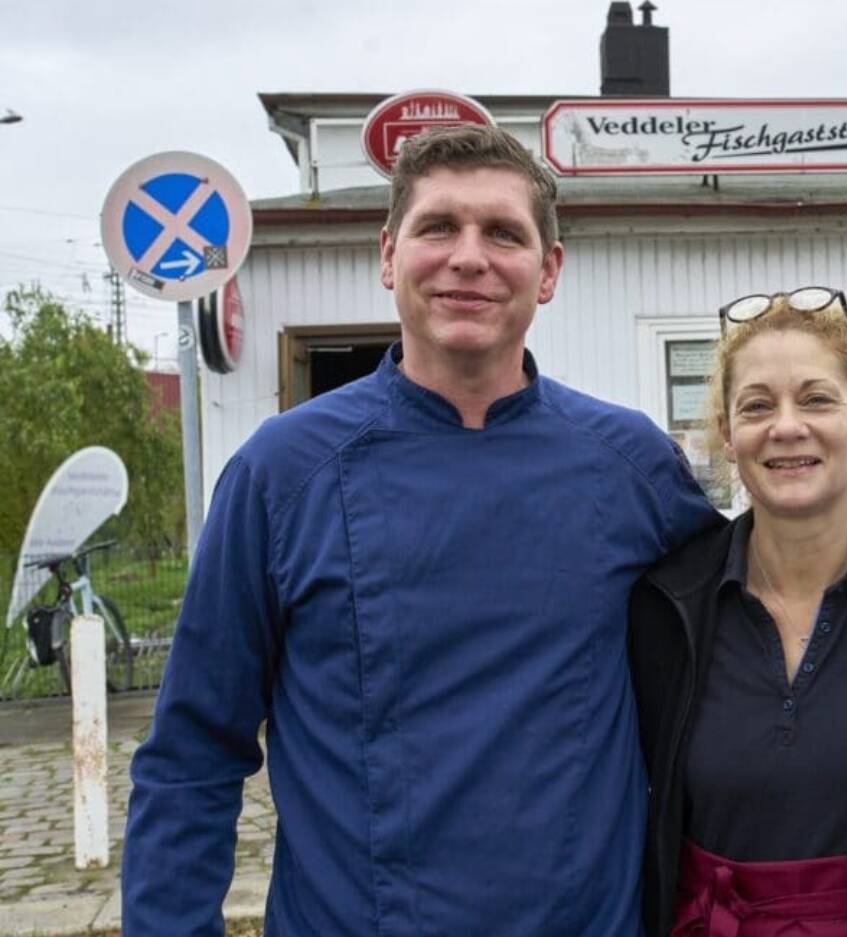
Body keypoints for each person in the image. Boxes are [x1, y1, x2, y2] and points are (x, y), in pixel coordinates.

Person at [122, 125, 722, 936]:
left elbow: (747, 651)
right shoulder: (282, 475)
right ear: (387, 256)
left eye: (503, 232)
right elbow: (192, 753)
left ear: (547, 271)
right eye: (438, 227)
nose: (468, 257)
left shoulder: (633, 468)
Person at [628, 288, 847, 936]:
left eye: (817, 398)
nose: (787, 426)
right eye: (757, 405)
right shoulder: (666, 604)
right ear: (729, 435)